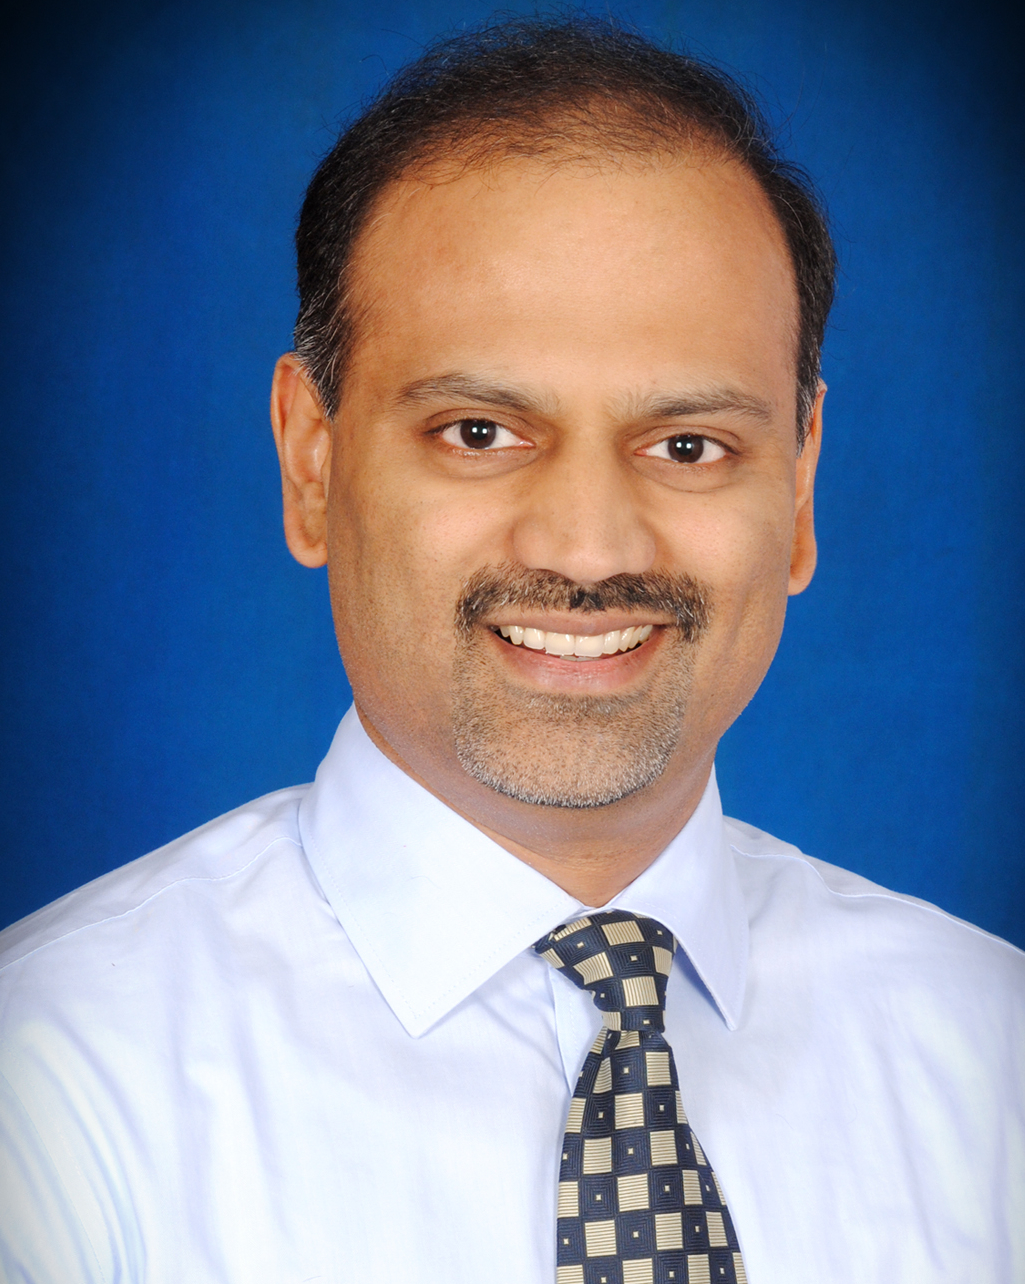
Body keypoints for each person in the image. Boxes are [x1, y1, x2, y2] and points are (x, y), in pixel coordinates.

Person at [1, 16, 1021, 1284]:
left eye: (687, 445)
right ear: (311, 461)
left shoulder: (994, 1062)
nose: (588, 549)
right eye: (479, 433)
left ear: (800, 488)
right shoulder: (46, 1085)